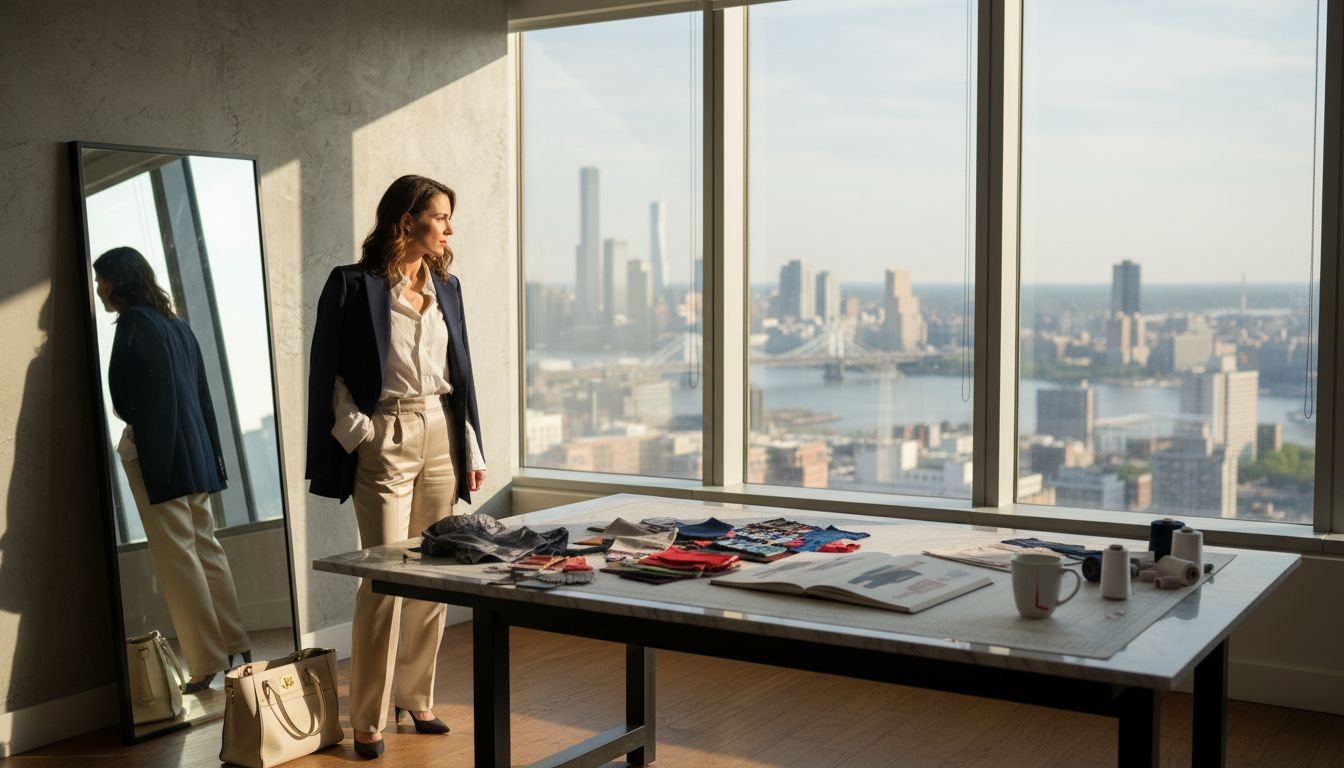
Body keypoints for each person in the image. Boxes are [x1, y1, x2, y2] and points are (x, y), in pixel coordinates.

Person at [306, 175, 486, 760]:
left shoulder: (448, 287)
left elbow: (461, 373)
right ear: (406, 221)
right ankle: (367, 717)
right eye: (440, 217)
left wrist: (470, 448)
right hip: (384, 433)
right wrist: (360, 434)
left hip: (440, 431)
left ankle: (416, 696)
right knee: (382, 579)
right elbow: (327, 370)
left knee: (431, 576)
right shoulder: (352, 285)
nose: (449, 229)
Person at [95, 246, 251, 694]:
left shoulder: (133, 326)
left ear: (120, 280)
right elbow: (202, 397)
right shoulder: (176, 324)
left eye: (102, 279)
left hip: (160, 456)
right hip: (195, 454)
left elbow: (133, 402)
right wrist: (212, 459)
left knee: (178, 560)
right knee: (207, 549)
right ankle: (235, 644)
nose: (100, 289)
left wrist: (155, 462)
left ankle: (204, 662)